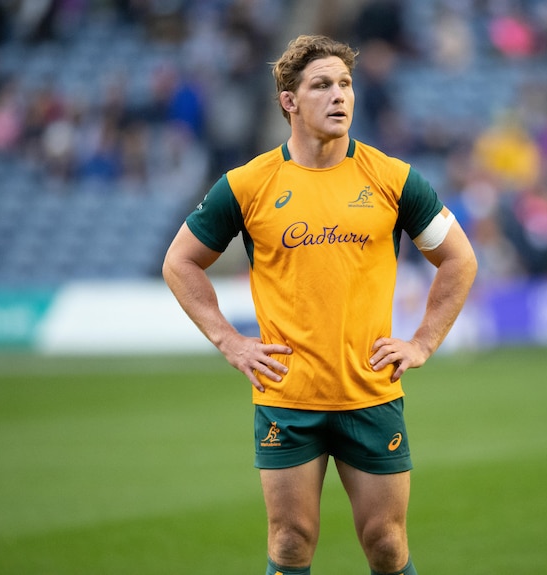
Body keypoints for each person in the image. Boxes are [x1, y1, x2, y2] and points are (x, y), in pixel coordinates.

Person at [162, 35, 477, 575]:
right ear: (289, 101)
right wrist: (230, 341)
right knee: (289, 542)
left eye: (346, 84)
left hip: (370, 392)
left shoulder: (392, 178)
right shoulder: (247, 185)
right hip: (288, 396)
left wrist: (423, 342)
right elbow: (180, 262)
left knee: (386, 543)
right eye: (322, 85)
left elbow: (459, 259)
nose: (340, 97)